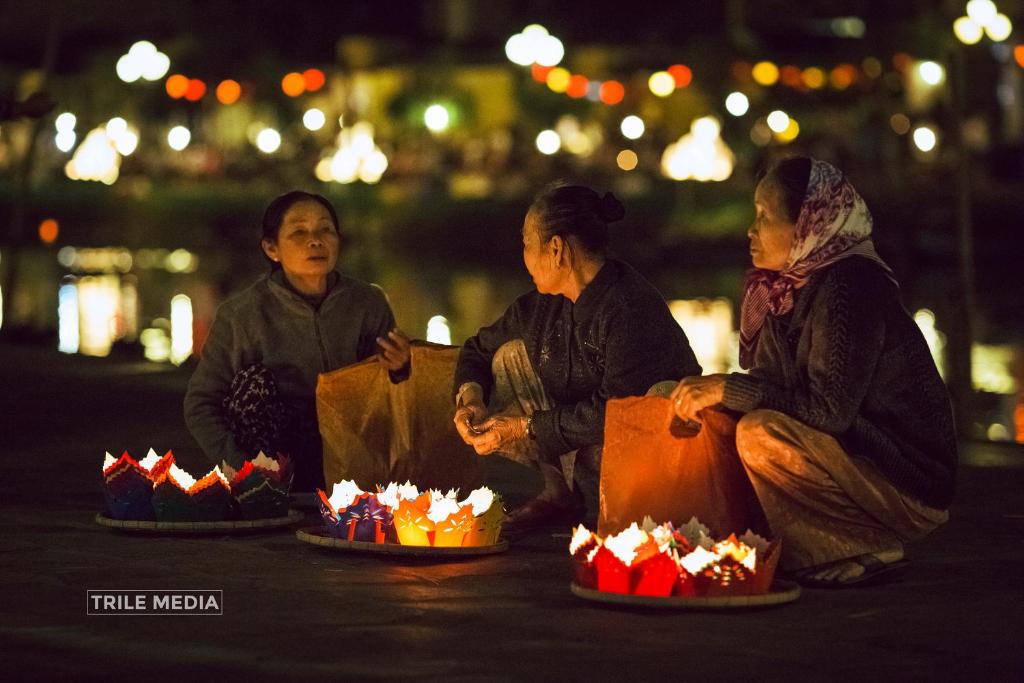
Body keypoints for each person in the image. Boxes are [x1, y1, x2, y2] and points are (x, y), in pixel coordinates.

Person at [670, 157, 957, 587]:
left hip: (905, 478)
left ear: (808, 225)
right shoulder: (783, 289)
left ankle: (863, 545)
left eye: (765, 217)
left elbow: (828, 412)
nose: (751, 230)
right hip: (847, 455)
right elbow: (771, 385)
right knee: (712, 416)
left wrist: (730, 388)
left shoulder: (848, 287)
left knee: (760, 433)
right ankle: (810, 546)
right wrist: (714, 397)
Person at [453, 183, 702, 535]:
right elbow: (478, 348)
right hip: (578, 450)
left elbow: (614, 410)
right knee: (508, 356)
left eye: (526, 242)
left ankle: (634, 516)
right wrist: (471, 399)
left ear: (556, 250)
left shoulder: (629, 307)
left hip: (635, 460)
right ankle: (560, 496)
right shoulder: (540, 306)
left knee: (660, 397)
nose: (522, 255)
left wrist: (523, 427)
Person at [184, 190, 411, 492]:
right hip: (276, 457)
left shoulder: (367, 302)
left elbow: (390, 392)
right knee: (252, 384)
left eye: (325, 229)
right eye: (299, 232)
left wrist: (401, 367)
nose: (315, 240)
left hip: (351, 448)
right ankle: (272, 491)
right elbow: (201, 402)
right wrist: (241, 469)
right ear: (271, 248)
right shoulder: (242, 315)